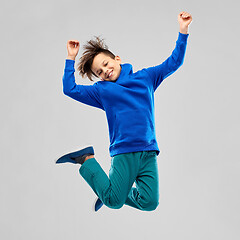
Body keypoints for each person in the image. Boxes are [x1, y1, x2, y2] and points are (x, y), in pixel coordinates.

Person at [56, 12, 192, 212]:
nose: (105, 71)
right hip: (124, 152)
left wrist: (183, 31)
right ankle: (86, 159)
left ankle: (111, 189)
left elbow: (174, 62)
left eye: (106, 64)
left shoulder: (146, 77)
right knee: (113, 201)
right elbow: (70, 89)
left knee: (149, 202)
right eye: (99, 73)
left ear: (117, 59)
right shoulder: (103, 91)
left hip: (148, 151)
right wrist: (70, 58)